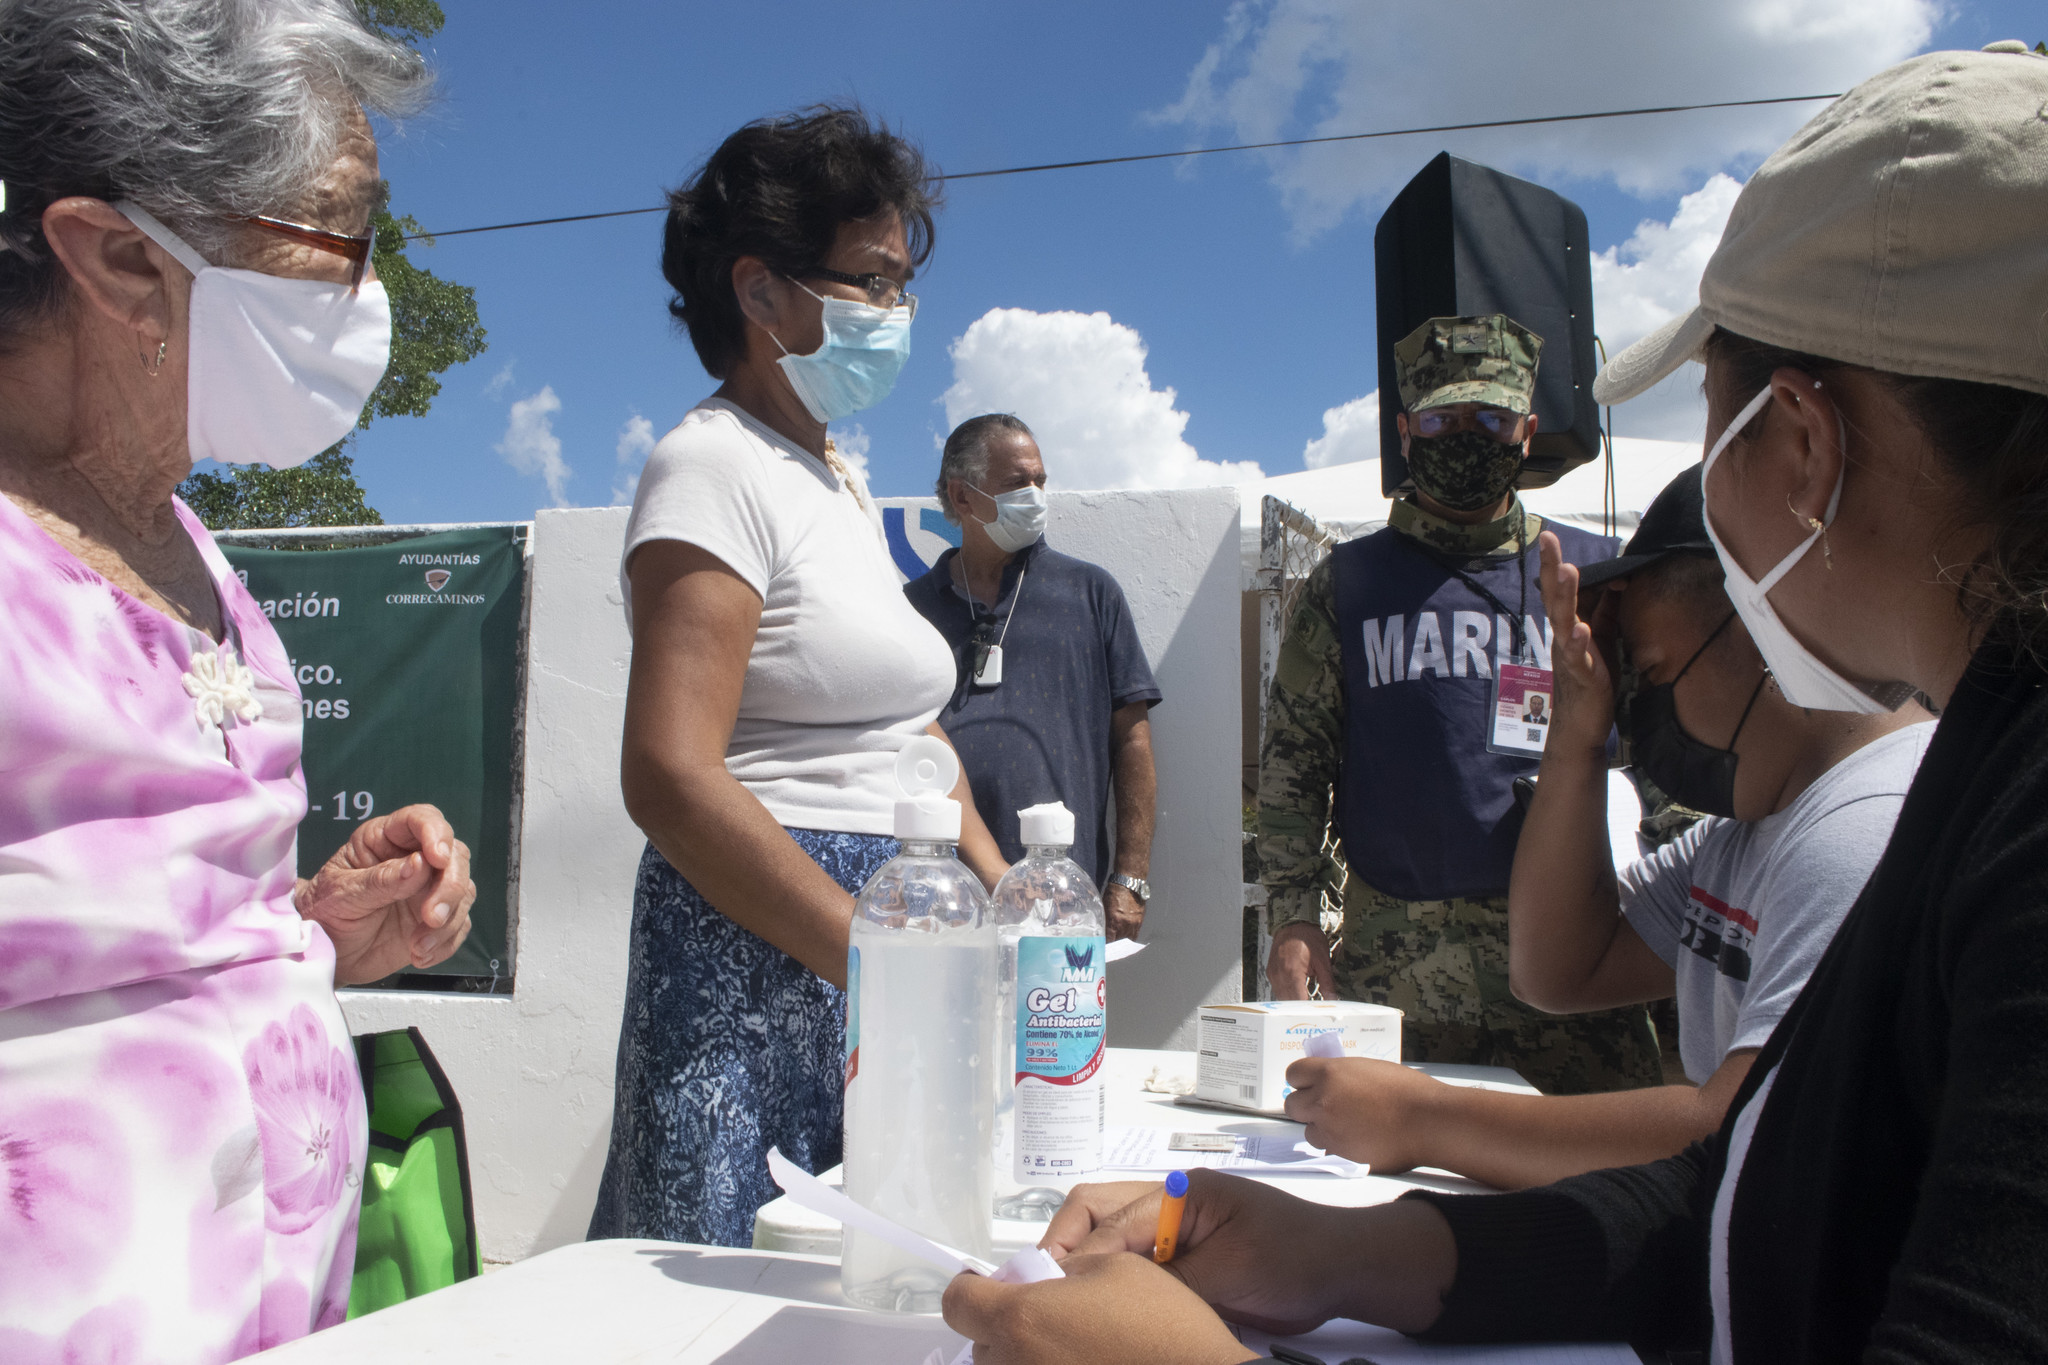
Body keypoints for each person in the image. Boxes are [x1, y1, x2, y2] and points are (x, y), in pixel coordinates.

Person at [939, 45, 2048, 1364]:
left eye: (1714, 424)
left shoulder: (1955, 827)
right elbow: (1757, 1192)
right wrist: (1363, 1249)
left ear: (1800, 441)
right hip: (1405, 960)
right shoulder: (1965, 781)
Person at [0, 3, 478, 1357]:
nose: (365, 282)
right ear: (118, 259)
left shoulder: (184, 539)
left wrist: (315, 928)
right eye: (342, 226)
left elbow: (100, 933)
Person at [589, 107, 1007, 1249]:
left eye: (903, 285)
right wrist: (873, 958)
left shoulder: (833, 481)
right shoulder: (710, 466)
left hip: (878, 940)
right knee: (744, 1292)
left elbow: (910, 737)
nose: (897, 313)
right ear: (761, 292)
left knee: (881, 1280)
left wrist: (1010, 905)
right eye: (872, 281)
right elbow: (671, 775)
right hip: (758, 952)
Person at [1282, 466, 1933, 1189]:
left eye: (1648, 671)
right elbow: (1556, 970)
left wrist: (1423, 1117)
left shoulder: (1868, 830)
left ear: (1765, 621)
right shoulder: (1735, 845)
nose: (1641, 709)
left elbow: (1751, 1127)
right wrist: (1576, 736)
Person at [1259, 312, 1659, 1095]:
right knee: (1394, 1192)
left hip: (1577, 964)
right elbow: (1293, 768)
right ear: (1406, 432)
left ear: (1528, 431)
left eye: (1492, 419)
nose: (1466, 436)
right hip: (1399, 969)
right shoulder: (1347, 585)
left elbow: (1663, 756)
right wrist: (1293, 912)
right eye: (1443, 419)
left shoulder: (1594, 576)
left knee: (1591, 1190)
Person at [903, 413, 1161, 938]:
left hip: (1061, 898)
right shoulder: (911, 610)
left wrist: (1129, 880)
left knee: (1055, 1023)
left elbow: (1133, 742)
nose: (1037, 495)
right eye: (1019, 483)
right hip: (935, 896)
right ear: (962, 497)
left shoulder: (1090, 593)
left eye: (1041, 481)